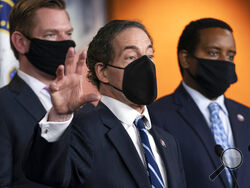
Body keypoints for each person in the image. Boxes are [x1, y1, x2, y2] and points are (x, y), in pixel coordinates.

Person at [23, 20, 187, 188]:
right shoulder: (81, 130)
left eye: (149, 56)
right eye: (131, 57)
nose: (145, 65)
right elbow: (46, 175)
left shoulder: (168, 141)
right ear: (102, 72)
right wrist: (59, 116)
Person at [0, 0, 96, 187]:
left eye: (68, 33)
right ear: (20, 42)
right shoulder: (3, 106)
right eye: (51, 34)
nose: (66, 43)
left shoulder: (87, 110)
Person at [148, 18, 250, 188]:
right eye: (213, 53)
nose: (225, 61)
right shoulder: (156, 116)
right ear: (186, 59)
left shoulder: (246, 116)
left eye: (230, 55)